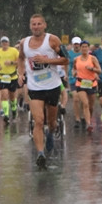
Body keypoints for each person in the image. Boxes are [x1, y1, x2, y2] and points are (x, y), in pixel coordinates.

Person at [16, 14, 69, 168]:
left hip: (52, 86)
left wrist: (47, 60)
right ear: (30, 26)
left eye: (39, 24)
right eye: (34, 24)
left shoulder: (53, 40)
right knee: (38, 120)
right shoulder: (24, 43)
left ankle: (51, 133)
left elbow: (65, 59)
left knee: (51, 122)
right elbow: (20, 58)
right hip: (34, 87)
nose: (36, 27)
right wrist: (20, 74)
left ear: (44, 25)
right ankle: (40, 154)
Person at [73, 40, 102, 133]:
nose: (84, 48)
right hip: (80, 83)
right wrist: (74, 73)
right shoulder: (76, 59)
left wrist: (92, 69)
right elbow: (74, 69)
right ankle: (88, 124)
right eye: (83, 47)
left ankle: (88, 117)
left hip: (91, 83)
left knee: (90, 106)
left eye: (86, 47)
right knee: (85, 103)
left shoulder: (93, 58)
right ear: (80, 48)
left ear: (88, 48)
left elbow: (99, 70)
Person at [0, 35, 20, 123]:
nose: (4, 44)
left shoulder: (14, 51)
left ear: (8, 43)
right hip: (2, 77)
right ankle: (6, 115)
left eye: (6, 42)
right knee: (4, 96)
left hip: (12, 76)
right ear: (1, 43)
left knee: (12, 97)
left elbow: (20, 62)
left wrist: (12, 62)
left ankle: (14, 110)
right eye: (3, 42)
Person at [65, 37, 85, 128]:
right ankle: (77, 118)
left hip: (84, 79)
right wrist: (66, 75)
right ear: (72, 44)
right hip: (73, 78)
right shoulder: (69, 54)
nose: (76, 46)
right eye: (75, 44)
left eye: (78, 44)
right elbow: (66, 64)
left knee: (83, 100)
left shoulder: (84, 53)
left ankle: (83, 116)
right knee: (76, 99)